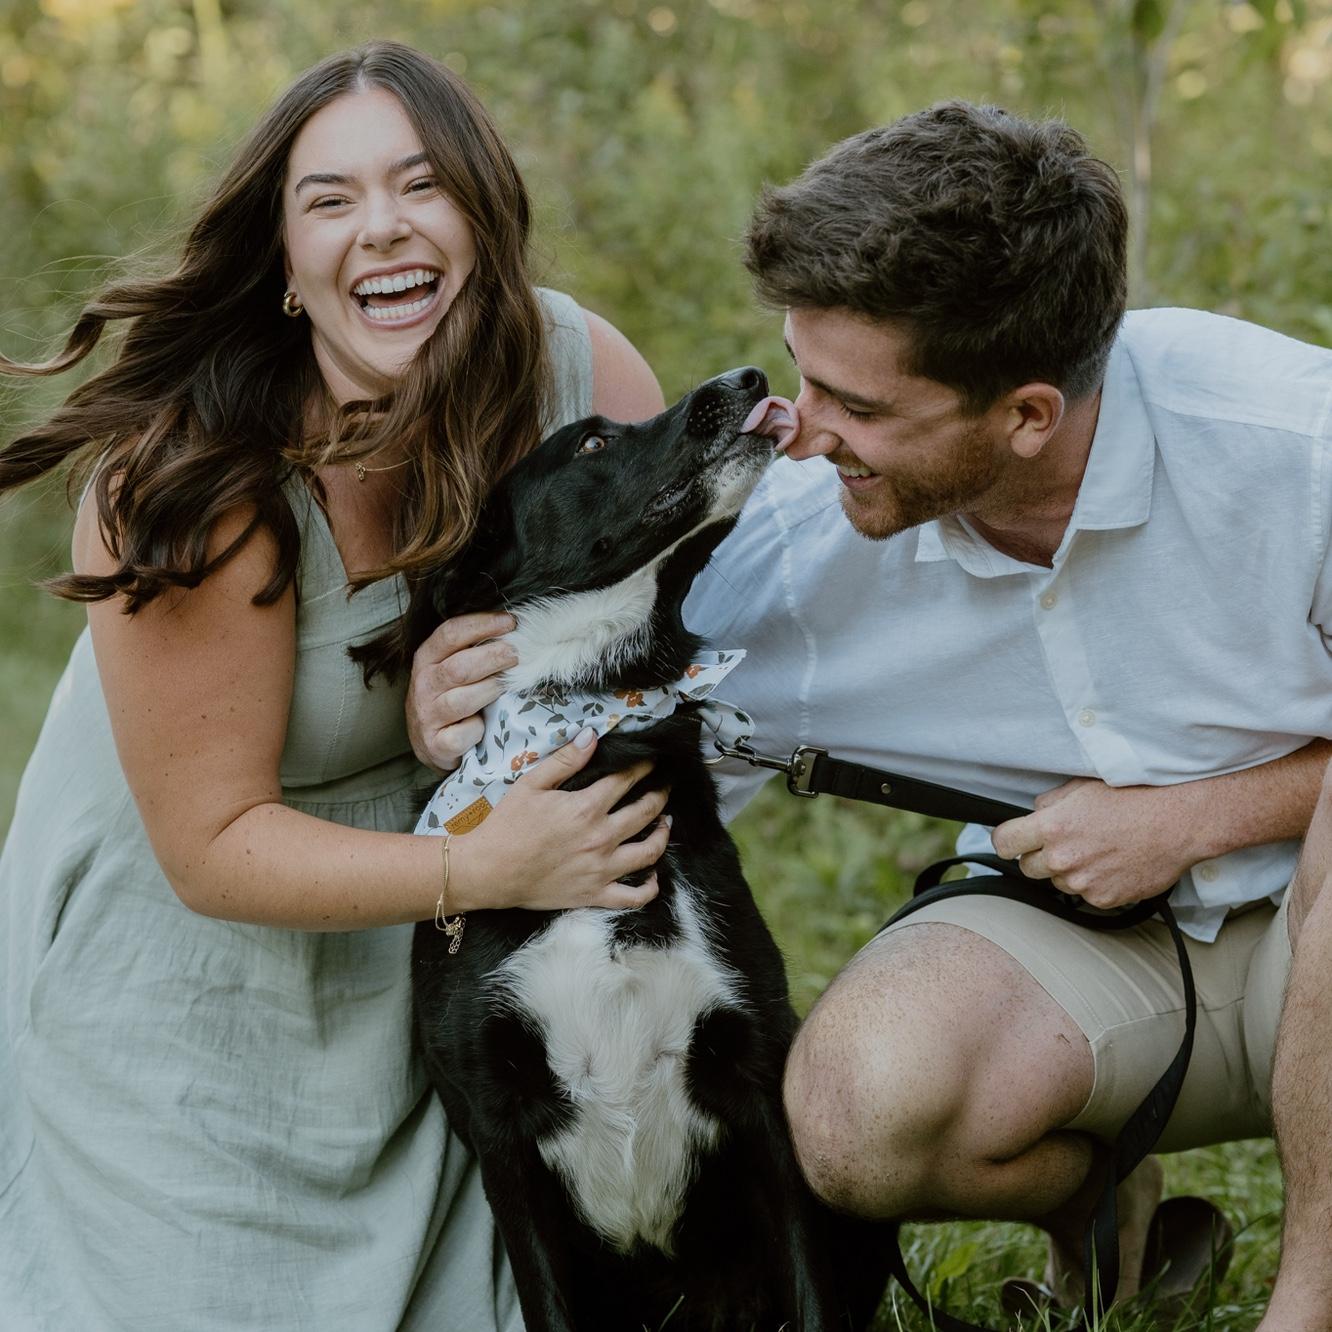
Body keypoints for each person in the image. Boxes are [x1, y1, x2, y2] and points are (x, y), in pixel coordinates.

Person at [407, 101, 1332, 1323]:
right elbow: (583, 686)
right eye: (803, 373)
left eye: (860, 406)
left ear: (1027, 415)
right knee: (852, 1112)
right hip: (1121, 968)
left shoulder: (1293, 445)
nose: (801, 430)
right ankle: (1105, 1206)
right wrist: (456, 684)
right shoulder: (788, 546)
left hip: (1310, 928)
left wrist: (1194, 818)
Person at [0, 42, 669, 1331]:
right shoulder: (195, 482)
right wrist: (483, 862)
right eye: (331, 201)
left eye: (421, 185)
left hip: (429, 965)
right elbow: (211, 849)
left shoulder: (575, 380)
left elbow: (672, 638)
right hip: (186, 969)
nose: (383, 228)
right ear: (287, 265)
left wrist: (455, 726)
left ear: (483, 215)